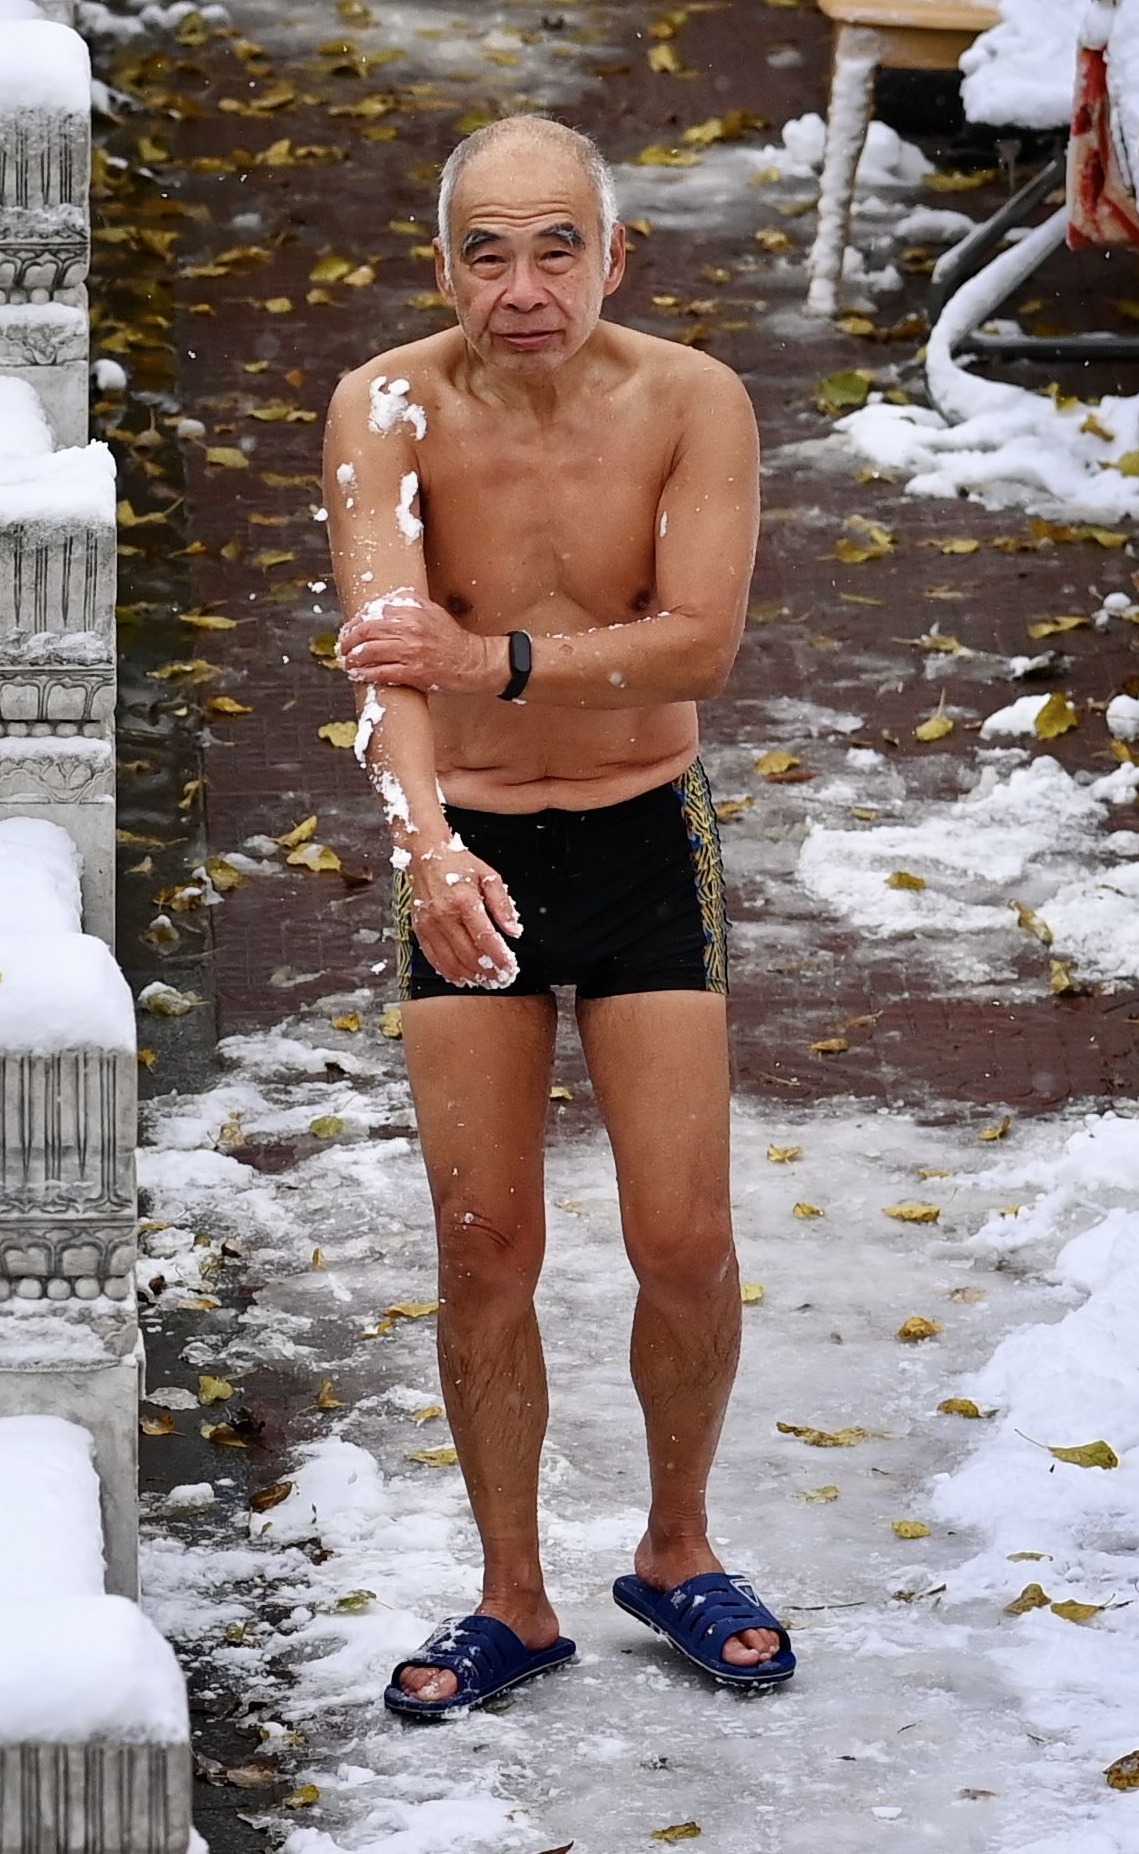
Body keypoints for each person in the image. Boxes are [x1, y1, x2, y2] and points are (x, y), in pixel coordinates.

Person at [320, 116, 789, 1719]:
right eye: (489, 252)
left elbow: (698, 646)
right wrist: (429, 851)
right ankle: (510, 1596)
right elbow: (391, 667)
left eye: (559, 248)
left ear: (615, 253)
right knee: (484, 1249)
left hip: (644, 835)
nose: (526, 287)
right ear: (441, 263)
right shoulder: (384, 403)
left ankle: (676, 1546)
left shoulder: (692, 400)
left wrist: (500, 664)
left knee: (685, 1240)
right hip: (471, 852)